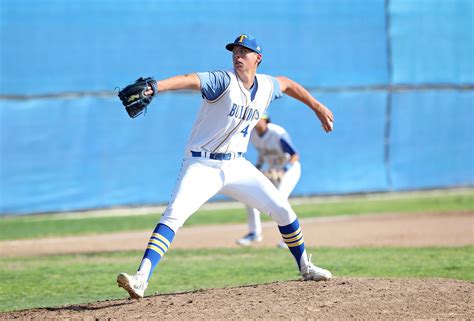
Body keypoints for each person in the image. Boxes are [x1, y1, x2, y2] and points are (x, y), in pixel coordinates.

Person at [117, 34, 335, 299]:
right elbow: (191, 79)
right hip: (201, 164)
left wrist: (317, 106)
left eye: (244, 51)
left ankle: (305, 266)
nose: (238, 55)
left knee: (283, 210)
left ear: (258, 58)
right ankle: (141, 279)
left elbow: (288, 84)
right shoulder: (223, 80)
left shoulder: (266, 86)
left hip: (237, 166)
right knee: (174, 215)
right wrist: (156, 87)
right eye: (235, 51)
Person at [236, 115, 301, 248]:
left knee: (280, 199)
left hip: (290, 170)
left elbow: (295, 155)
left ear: (265, 120)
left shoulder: (277, 133)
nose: (255, 121)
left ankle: (289, 238)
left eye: (258, 118)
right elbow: (262, 155)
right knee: (250, 196)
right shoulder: (253, 134)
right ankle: (254, 233)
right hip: (273, 170)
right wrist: (257, 169)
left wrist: (284, 170)